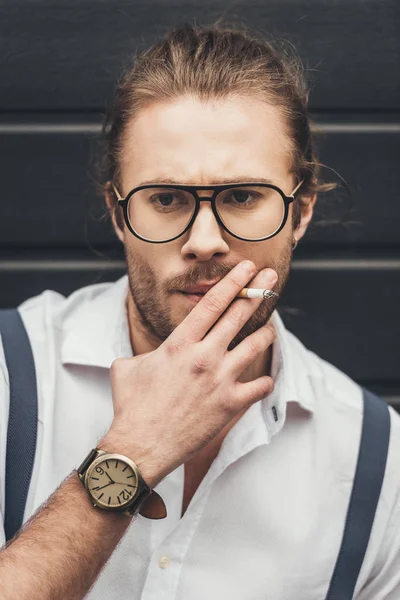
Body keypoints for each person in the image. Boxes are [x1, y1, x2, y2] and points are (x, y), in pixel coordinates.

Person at [0, 23, 399, 600]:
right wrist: (132, 453)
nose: (205, 241)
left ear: (301, 211)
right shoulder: (11, 376)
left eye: (242, 196)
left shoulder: (375, 460)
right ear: (117, 213)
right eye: (166, 198)